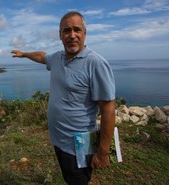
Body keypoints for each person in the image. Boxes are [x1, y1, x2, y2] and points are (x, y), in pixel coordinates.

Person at [11, 11, 116, 185]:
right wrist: (24, 54)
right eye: (67, 31)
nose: (72, 35)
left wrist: (103, 152)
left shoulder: (95, 63)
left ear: (84, 32)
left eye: (77, 30)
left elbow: (108, 109)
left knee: (78, 181)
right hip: (58, 139)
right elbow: (42, 57)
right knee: (69, 178)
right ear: (60, 35)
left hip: (79, 145)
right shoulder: (58, 58)